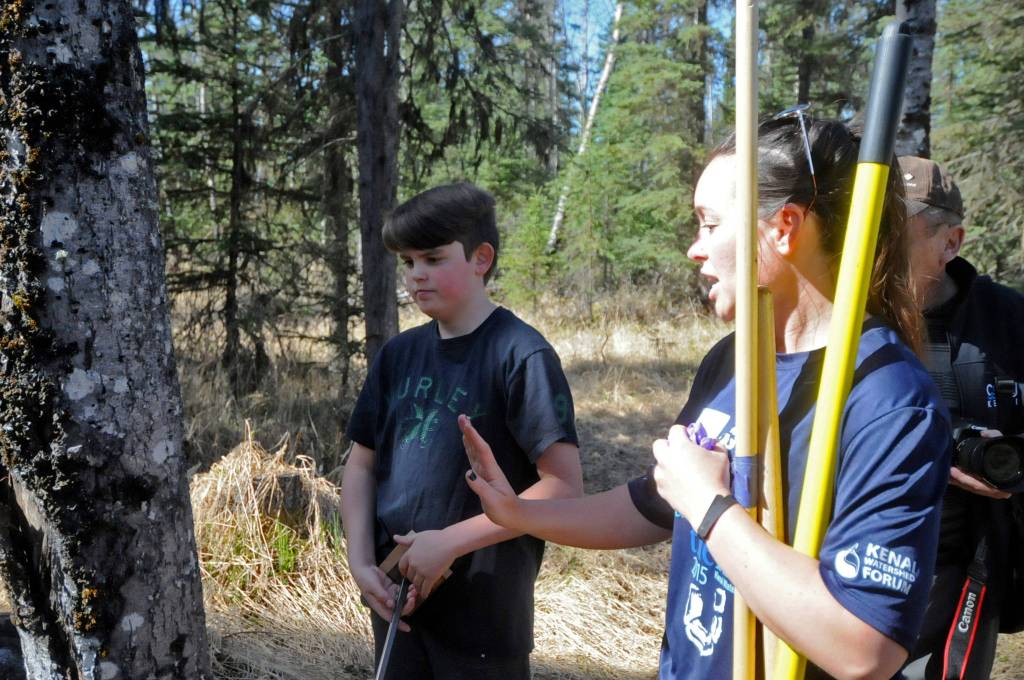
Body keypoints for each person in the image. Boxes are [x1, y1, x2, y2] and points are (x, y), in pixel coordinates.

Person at [459, 118, 952, 679]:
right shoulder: (732, 358)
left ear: (784, 227)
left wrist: (710, 506)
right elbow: (654, 503)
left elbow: (865, 648)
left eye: (711, 223)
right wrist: (519, 513)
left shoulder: (888, 398)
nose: (695, 249)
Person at [340, 182, 583, 679]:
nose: (416, 274)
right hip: (396, 601)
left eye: (433, 258)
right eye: (408, 262)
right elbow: (360, 465)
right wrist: (361, 562)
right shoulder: (397, 356)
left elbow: (563, 487)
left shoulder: (522, 355)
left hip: (484, 616)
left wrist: (449, 542)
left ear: (480, 258)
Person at [898, 156, 1024, 680]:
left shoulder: (1009, 321)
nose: (879, 248)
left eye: (896, 232)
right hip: (860, 556)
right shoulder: (841, 317)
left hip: (974, 567)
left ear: (951, 242)